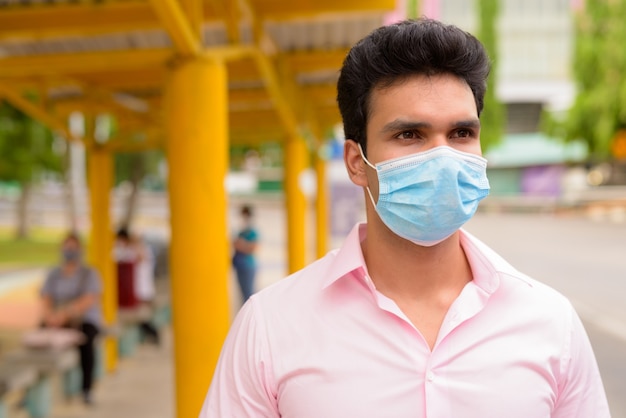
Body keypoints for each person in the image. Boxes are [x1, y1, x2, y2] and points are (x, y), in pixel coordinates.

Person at [200, 19, 610, 417]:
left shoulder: (551, 323)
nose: (443, 156)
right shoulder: (271, 326)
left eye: (461, 134)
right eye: (409, 135)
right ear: (355, 162)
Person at [40, 232, 102, 405]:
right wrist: (49, 316)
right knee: (39, 337)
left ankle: (87, 389)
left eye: (73, 248)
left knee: (86, 343)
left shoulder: (89, 273)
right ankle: (31, 390)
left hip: (83, 320)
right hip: (59, 319)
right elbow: (46, 298)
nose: (69, 251)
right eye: (67, 248)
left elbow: (88, 300)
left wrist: (64, 314)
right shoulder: (54, 273)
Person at [231, 205, 259, 303]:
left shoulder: (252, 231)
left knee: (249, 294)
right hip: (240, 266)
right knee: (243, 294)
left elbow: (253, 248)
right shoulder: (242, 232)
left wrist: (241, 244)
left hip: (248, 266)